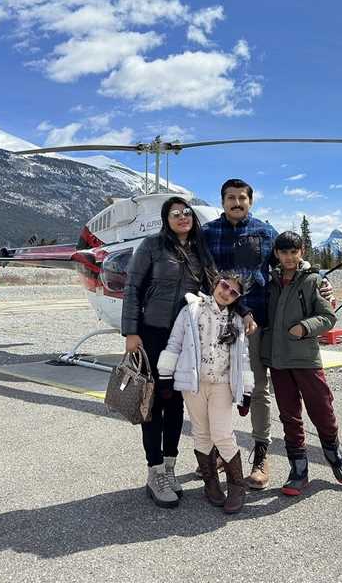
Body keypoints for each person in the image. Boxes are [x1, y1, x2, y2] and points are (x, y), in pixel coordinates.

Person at [122, 196, 216, 508]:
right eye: (175, 213)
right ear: (167, 219)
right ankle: (154, 472)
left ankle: (170, 466)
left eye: (187, 212)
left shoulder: (200, 250)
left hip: (186, 337)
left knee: (176, 402)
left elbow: (218, 288)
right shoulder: (151, 246)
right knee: (153, 401)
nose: (182, 217)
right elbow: (133, 287)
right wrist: (131, 331)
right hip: (152, 332)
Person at [261, 231, 342, 496]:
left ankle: (334, 455)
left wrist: (305, 327)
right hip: (278, 360)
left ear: (301, 252)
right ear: (277, 254)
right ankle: (298, 468)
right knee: (289, 415)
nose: (289, 257)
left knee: (322, 408)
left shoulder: (314, 280)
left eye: (294, 252)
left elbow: (328, 317)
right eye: (283, 252)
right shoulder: (271, 282)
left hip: (305, 358)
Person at [201, 179, 278, 489]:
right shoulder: (207, 234)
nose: (236, 202)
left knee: (258, 389)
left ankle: (260, 455)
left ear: (250, 201)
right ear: (222, 202)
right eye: (230, 198)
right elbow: (205, 275)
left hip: (255, 322)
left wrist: (318, 283)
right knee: (218, 389)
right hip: (217, 322)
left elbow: (288, 264)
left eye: (241, 198)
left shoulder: (266, 233)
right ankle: (222, 452)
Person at [157, 273, 253, 514]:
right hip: (194, 384)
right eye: (224, 286)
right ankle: (211, 483)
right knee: (201, 433)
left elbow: (243, 357)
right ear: (215, 284)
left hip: (222, 384)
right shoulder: (191, 310)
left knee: (221, 433)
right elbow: (175, 343)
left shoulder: (237, 319)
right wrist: (166, 376)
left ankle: (237, 485)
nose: (226, 292)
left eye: (234, 292)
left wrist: (247, 391)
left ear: (237, 298)